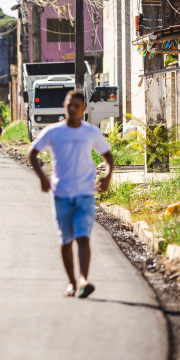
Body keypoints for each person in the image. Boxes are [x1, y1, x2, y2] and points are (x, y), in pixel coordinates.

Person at [27, 91, 114, 298]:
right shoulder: (53, 132)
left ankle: (84, 280)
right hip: (62, 194)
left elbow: (108, 156)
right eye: (69, 105)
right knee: (66, 241)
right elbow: (32, 153)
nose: (72, 108)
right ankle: (72, 283)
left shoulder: (90, 132)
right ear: (64, 106)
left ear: (84, 109)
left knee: (83, 238)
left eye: (77, 105)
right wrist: (42, 177)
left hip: (85, 193)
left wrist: (108, 177)